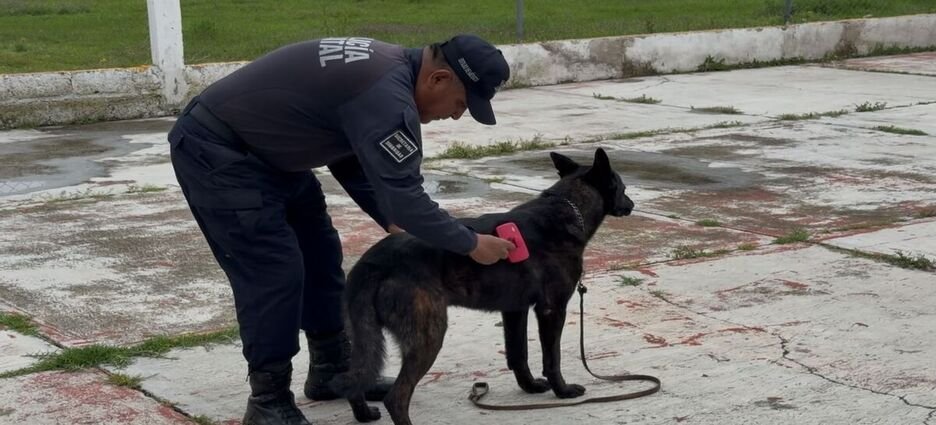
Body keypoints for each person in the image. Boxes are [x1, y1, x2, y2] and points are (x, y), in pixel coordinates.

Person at [166, 33, 516, 425]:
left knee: (320, 255)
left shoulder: (387, 72)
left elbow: (350, 152)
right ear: (439, 79)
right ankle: (268, 400)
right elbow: (406, 197)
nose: (455, 116)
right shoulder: (386, 97)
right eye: (461, 104)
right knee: (274, 273)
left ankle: (332, 369)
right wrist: (470, 243)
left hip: (273, 154)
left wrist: (390, 217)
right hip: (220, 153)